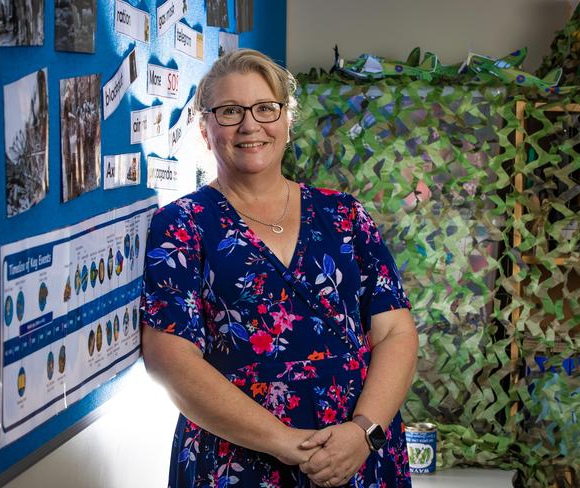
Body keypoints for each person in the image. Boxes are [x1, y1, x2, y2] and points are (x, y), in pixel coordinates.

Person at [141, 48, 419, 488]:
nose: (250, 125)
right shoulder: (182, 225)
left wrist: (364, 432)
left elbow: (395, 332)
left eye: (266, 109)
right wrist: (286, 443)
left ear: (288, 121)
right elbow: (169, 360)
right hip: (237, 461)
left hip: (357, 452)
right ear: (204, 128)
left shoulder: (344, 215)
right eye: (230, 111)